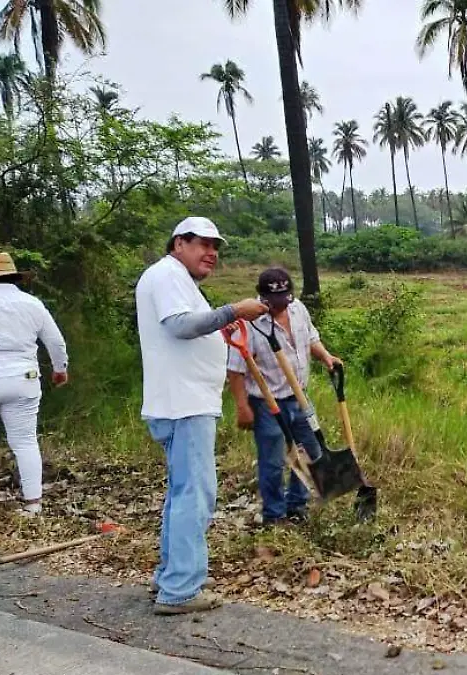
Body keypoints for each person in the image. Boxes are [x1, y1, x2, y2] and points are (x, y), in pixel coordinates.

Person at [135, 217, 268, 615]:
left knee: (183, 493)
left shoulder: (176, 280)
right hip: (184, 404)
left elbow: (192, 328)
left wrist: (220, 329)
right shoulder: (167, 275)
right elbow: (180, 326)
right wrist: (232, 312)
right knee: (195, 495)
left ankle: (171, 577)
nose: (211, 253)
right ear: (179, 243)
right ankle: (180, 591)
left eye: (216, 247)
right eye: (203, 244)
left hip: (184, 402)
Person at [226, 267, 342, 526]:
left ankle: (297, 505)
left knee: (312, 451)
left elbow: (311, 338)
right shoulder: (248, 322)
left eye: (285, 298)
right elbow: (235, 371)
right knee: (273, 460)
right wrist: (243, 407)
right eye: (274, 301)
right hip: (266, 402)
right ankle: (274, 515)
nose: (281, 305)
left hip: (299, 396)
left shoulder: (298, 308)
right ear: (262, 297)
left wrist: (326, 356)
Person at [0, 252, 69, 517]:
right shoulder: (32, 303)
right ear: (14, 277)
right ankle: (33, 504)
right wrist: (60, 370)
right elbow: (56, 342)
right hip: (23, 378)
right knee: (24, 442)